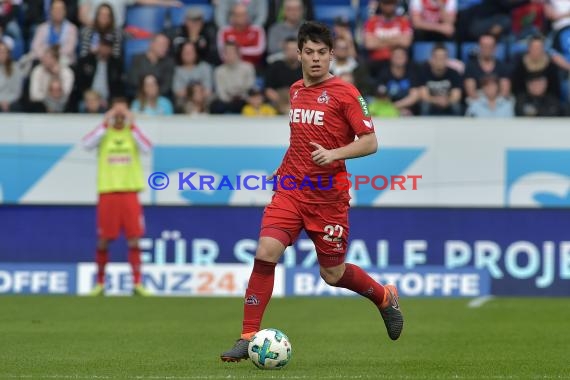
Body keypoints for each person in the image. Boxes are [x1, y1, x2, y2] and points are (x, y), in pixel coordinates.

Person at [220, 21, 403, 362]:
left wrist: (334, 154)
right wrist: (283, 165)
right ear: (299, 55)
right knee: (265, 252)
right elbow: (299, 141)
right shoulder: (294, 91)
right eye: (309, 52)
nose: (316, 59)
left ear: (332, 55)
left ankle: (383, 297)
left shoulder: (346, 93)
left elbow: (370, 142)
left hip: (328, 198)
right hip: (291, 190)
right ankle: (247, 337)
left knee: (332, 274)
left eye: (322, 53)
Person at [82, 97, 152, 296]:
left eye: (123, 111)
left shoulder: (133, 133)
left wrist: (133, 124)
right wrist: (105, 122)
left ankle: (137, 283)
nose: (120, 115)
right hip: (108, 192)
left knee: (134, 239)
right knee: (103, 239)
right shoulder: (105, 133)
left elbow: (147, 147)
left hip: (129, 192)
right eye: (117, 111)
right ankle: (100, 283)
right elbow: (86, 144)